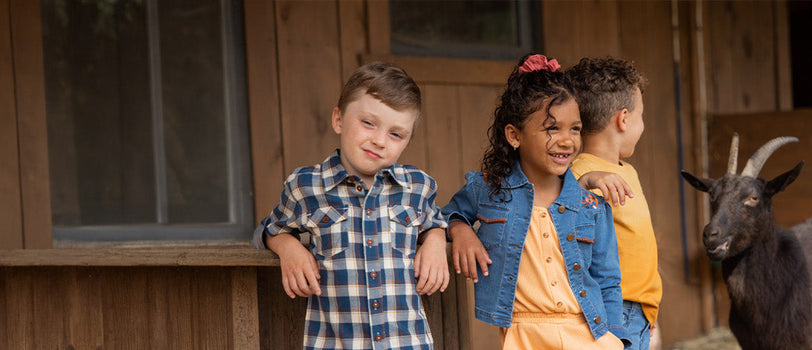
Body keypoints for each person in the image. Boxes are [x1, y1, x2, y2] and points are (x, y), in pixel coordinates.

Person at [253, 61, 450, 349]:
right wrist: (288, 248)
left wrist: (435, 241)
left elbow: (436, 221)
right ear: (339, 119)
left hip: (407, 342)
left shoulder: (417, 187)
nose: (380, 140)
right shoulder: (305, 186)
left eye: (396, 134)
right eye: (368, 123)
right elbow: (269, 229)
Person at [442, 54, 629, 349]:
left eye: (575, 128)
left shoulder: (591, 207)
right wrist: (461, 230)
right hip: (523, 335)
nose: (567, 140)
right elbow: (448, 214)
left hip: (588, 334)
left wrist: (617, 336)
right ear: (514, 136)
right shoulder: (488, 191)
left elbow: (608, 280)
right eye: (552, 128)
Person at [566, 57, 662, 350]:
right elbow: (564, 204)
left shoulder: (626, 170)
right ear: (623, 119)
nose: (642, 125)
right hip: (614, 309)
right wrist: (586, 183)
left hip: (639, 309)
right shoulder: (582, 172)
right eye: (641, 115)